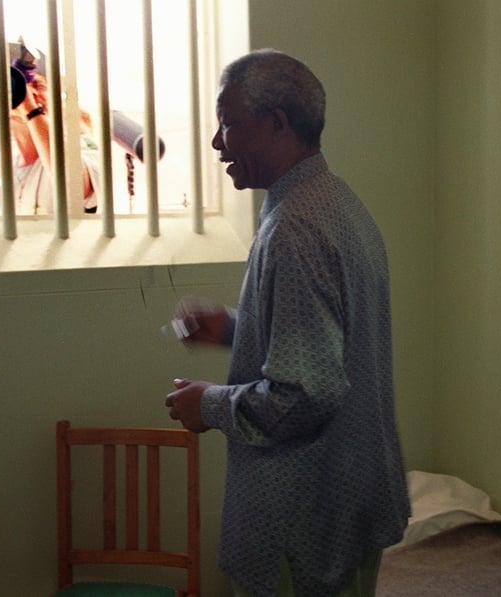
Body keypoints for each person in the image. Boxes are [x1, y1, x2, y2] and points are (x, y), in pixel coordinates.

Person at [164, 49, 411, 597]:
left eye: (226, 124)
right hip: (351, 491)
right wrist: (235, 328)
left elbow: (302, 395)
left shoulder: (294, 228)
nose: (216, 143)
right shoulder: (338, 204)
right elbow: (332, 343)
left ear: (277, 123)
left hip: (305, 513)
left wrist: (207, 405)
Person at [9, 52, 102, 215]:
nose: (29, 92)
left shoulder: (81, 147)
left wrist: (31, 110)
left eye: (38, 85)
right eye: (14, 84)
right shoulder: (4, 167)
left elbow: (75, 187)